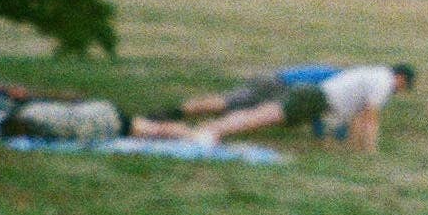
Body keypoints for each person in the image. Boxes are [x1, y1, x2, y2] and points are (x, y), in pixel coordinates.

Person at [128, 62, 412, 149]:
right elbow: (370, 118)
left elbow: (359, 118)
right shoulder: (384, 80)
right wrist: (370, 151)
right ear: (400, 77)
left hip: (309, 96)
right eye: (403, 87)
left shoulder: (372, 73)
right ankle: (200, 132)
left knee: (249, 114)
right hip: (305, 95)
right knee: (251, 117)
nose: (399, 92)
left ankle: (193, 127)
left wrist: (348, 144)